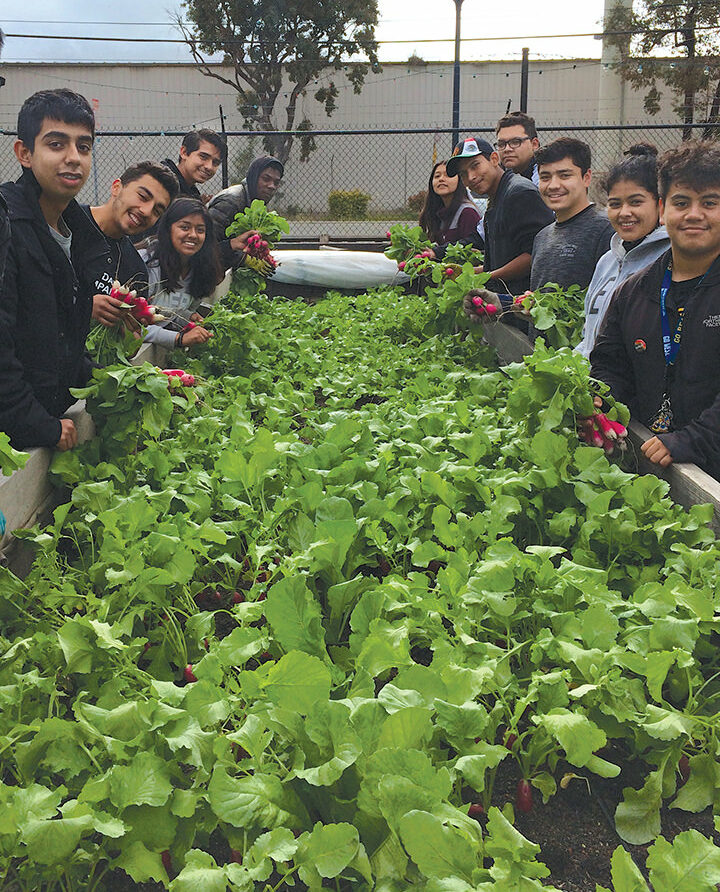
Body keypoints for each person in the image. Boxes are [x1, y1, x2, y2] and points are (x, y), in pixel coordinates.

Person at [590, 140, 720, 479]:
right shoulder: (632, 293)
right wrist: (602, 399)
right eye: (681, 202)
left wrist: (694, 439)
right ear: (663, 210)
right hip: (651, 466)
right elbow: (609, 365)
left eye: (710, 202)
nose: (694, 214)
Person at [0, 88, 97, 451]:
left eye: (83, 147)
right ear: (24, 153)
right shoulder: (7, 221)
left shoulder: (79, 232)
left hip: (49, 424)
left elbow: (65, 341)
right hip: (14, 440)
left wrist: (118, 380)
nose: (74, 158)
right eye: (57, 144)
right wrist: (37, 424)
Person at [576, 145, 670, 357]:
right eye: (615, 204)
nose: (624, 213)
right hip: (594, 384)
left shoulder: (671, 260)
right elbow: (588, 336)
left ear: (660, 204)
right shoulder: (607, 261)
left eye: (636, 202)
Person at [66, 161, 178, 330]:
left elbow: (131, 344)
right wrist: (84, 306)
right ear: (117, 187)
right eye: (143, 196)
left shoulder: (135, 270)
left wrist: (129, 331)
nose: (147, 211)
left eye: (157, 211)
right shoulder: (66, 222)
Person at [446, 136, 553, 295]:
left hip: (524, 305)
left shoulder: (519, 194)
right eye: (463, 174)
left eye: (475, 166)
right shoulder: (497, 197)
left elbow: (535, 255)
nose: (471, 177)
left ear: (494, 159)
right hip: (507, 304)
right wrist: (470, 273)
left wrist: (484, 276)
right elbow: (505, 259)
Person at [138, 197, 223, 349]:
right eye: (184, 227)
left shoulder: (201, 269)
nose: (193, 235)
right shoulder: (147, 264)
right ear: (168, 229)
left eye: (200, 230)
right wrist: (178, 338)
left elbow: (164, 312)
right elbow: (131, 326)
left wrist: (185, 317)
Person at [529, 137, 614, 291]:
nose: (553, 185)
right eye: (545, 177)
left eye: (565, 175)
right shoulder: (541, 237)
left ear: (586, 178)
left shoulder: (606, 229)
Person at [207, 156, 284, 269]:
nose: (272, 186)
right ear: (254, 177)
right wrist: (243, 259)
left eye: (276, 182)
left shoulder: (254, 202)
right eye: (266, 179)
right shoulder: (231, 201)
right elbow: (205, 246)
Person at [418, 160, 481, 249]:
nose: (441, 179)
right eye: (437, 176)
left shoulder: (468, 213)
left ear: (460, 180)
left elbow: (472, 249)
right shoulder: (436, 213)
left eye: (448, 175)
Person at [161, 129, 225, 202]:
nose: (209, 167)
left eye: (215, 162)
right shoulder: (162, 184)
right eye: (203, 157)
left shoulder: (190, 192)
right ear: (184, 152)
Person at [495, 111, 540, 185]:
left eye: (515, 142)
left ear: (534, 144)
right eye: (501, 144)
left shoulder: (545, 178)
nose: (507, 149)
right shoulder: (501, 175)